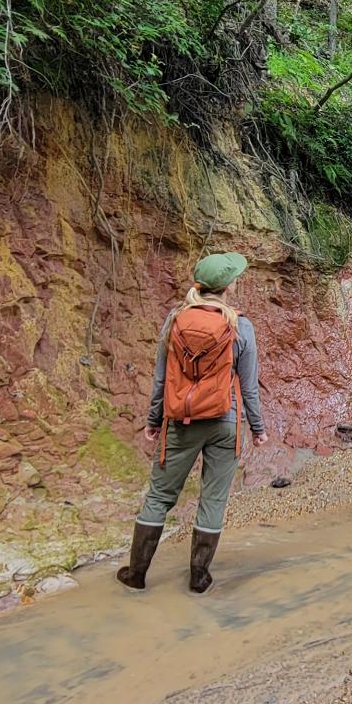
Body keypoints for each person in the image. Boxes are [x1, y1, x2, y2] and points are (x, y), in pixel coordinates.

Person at [118, 252, 268, 593]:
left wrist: (153, 419)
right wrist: (258, 429)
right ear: (228, 285)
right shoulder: (241, 326)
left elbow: (161, 379)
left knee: (159, 496)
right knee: (213, 499)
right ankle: (199, 578)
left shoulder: (175, 320)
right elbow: (248, 385)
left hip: (181, 421)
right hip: (225, 421)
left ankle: (136, 574)